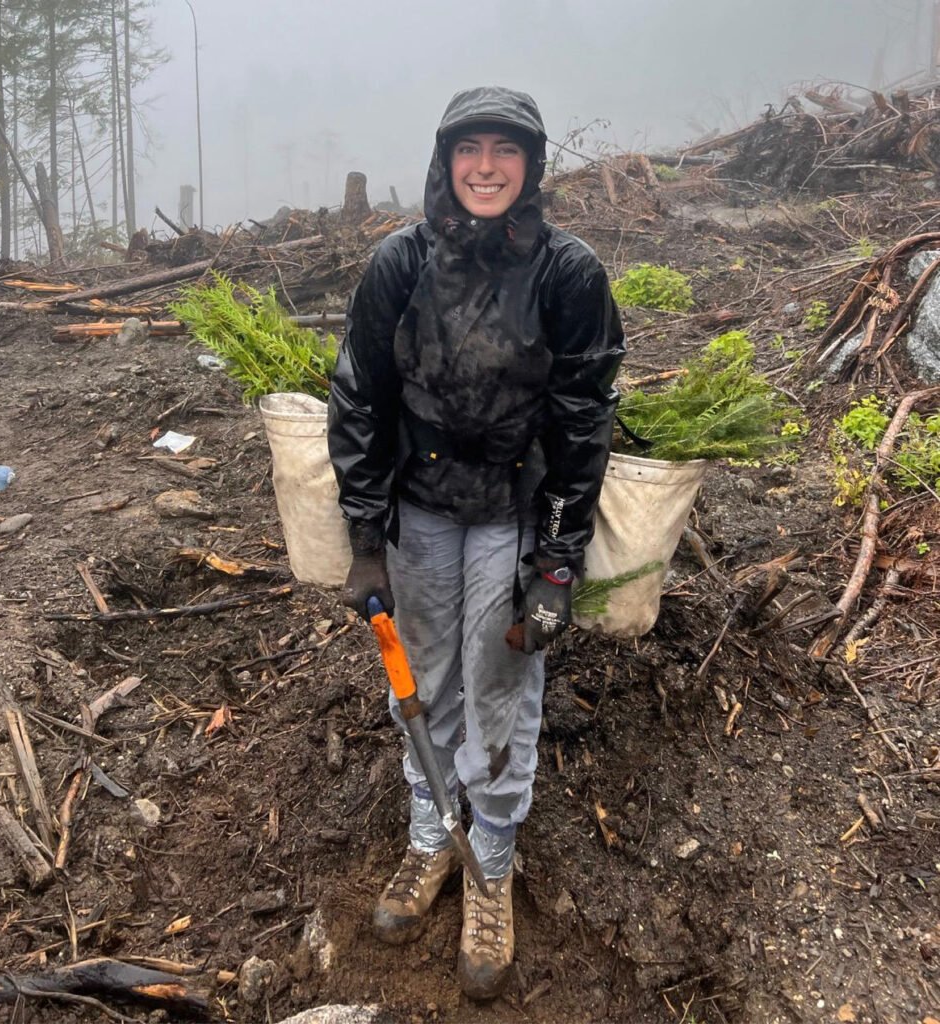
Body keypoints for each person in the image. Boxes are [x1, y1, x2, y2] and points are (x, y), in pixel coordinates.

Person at [327, 85, 624, 1000]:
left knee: (499, 685)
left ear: (532, 166)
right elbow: (361, 400)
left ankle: (489, 863)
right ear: (444, 161)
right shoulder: (399, 264)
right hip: (418, 510)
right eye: (469, 149)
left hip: (513, 512)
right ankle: (430, 841)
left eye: (505, 150)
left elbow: (583, 420)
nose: (486, 167)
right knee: (419, 681)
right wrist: (366, 539)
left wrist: (558, 564)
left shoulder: (569, 274)